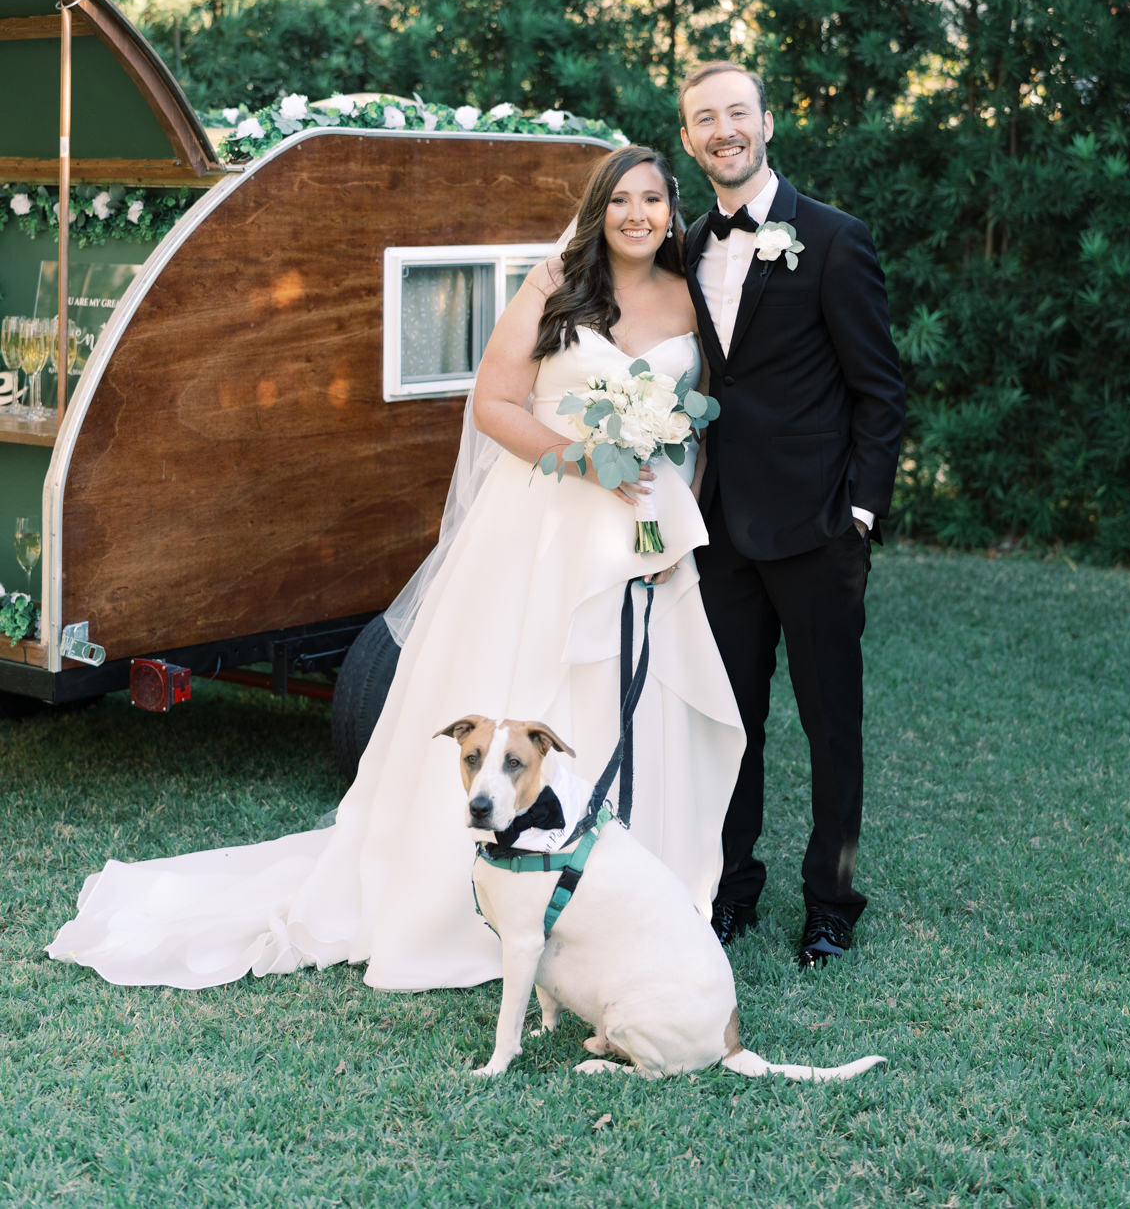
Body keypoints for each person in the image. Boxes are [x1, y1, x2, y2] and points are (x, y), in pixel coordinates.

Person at [48, 146, 744, 992]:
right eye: (621, 200)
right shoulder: (556, 284)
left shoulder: (687, 299)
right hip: (546, 525)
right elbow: (491, 405)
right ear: (598, 209)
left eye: (653, 200)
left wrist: (667, 512)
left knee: (637, 702)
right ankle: (477, 899)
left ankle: (620, 893)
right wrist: (579, 458)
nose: (638, 214)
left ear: (673, 211)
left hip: (642, 534)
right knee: (534, 680)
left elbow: (692, 428)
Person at [678, 62, 905, 968]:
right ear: (691, 141)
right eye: (704, 119)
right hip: (720, 533)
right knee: (729, 722)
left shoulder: (836, 239)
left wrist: (857, 513)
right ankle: (731, 886)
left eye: (737, 112)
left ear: (768, 123)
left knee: (829, 722)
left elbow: (878, 392)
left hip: (817, 531)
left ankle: (831, 901)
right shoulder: (685, 244)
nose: (723, 129)